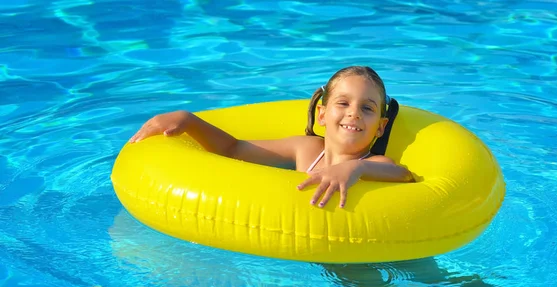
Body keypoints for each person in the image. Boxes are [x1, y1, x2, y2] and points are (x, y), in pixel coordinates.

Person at [128, 66, 415, 208]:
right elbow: (232, 148)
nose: (354, 114)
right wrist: (189, 120)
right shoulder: (306, 150)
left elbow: (402, 175)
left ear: (380, 127)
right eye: (343, 103)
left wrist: (357, 167)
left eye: (367, 108)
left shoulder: (372, 161)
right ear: (322, 115)